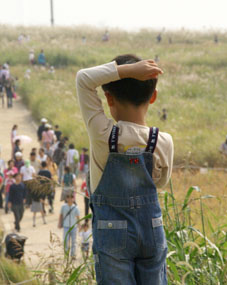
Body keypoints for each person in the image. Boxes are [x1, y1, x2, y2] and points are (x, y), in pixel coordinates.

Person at [76, 55, 173, 284]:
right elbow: (159, 183)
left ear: (108, 99)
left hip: (112, 233)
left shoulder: (103, 134)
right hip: (152, 229)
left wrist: (127, 70)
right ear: (153, 97)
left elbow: (83, 79)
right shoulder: (163, 141)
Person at [58, 194, 80, 259]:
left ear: (73, 199)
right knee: (66, 241)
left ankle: (73, 255)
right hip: (66, 226)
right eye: (68, 198)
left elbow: (78, 217)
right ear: (66, 199)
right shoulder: (63, 207)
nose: (70, 199)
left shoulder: (76, 207)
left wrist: (79, 225)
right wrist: (59, 223)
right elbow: (61, 215)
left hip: (73, 226)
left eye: (71, 198)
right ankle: (66, 255)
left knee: (73, 241)